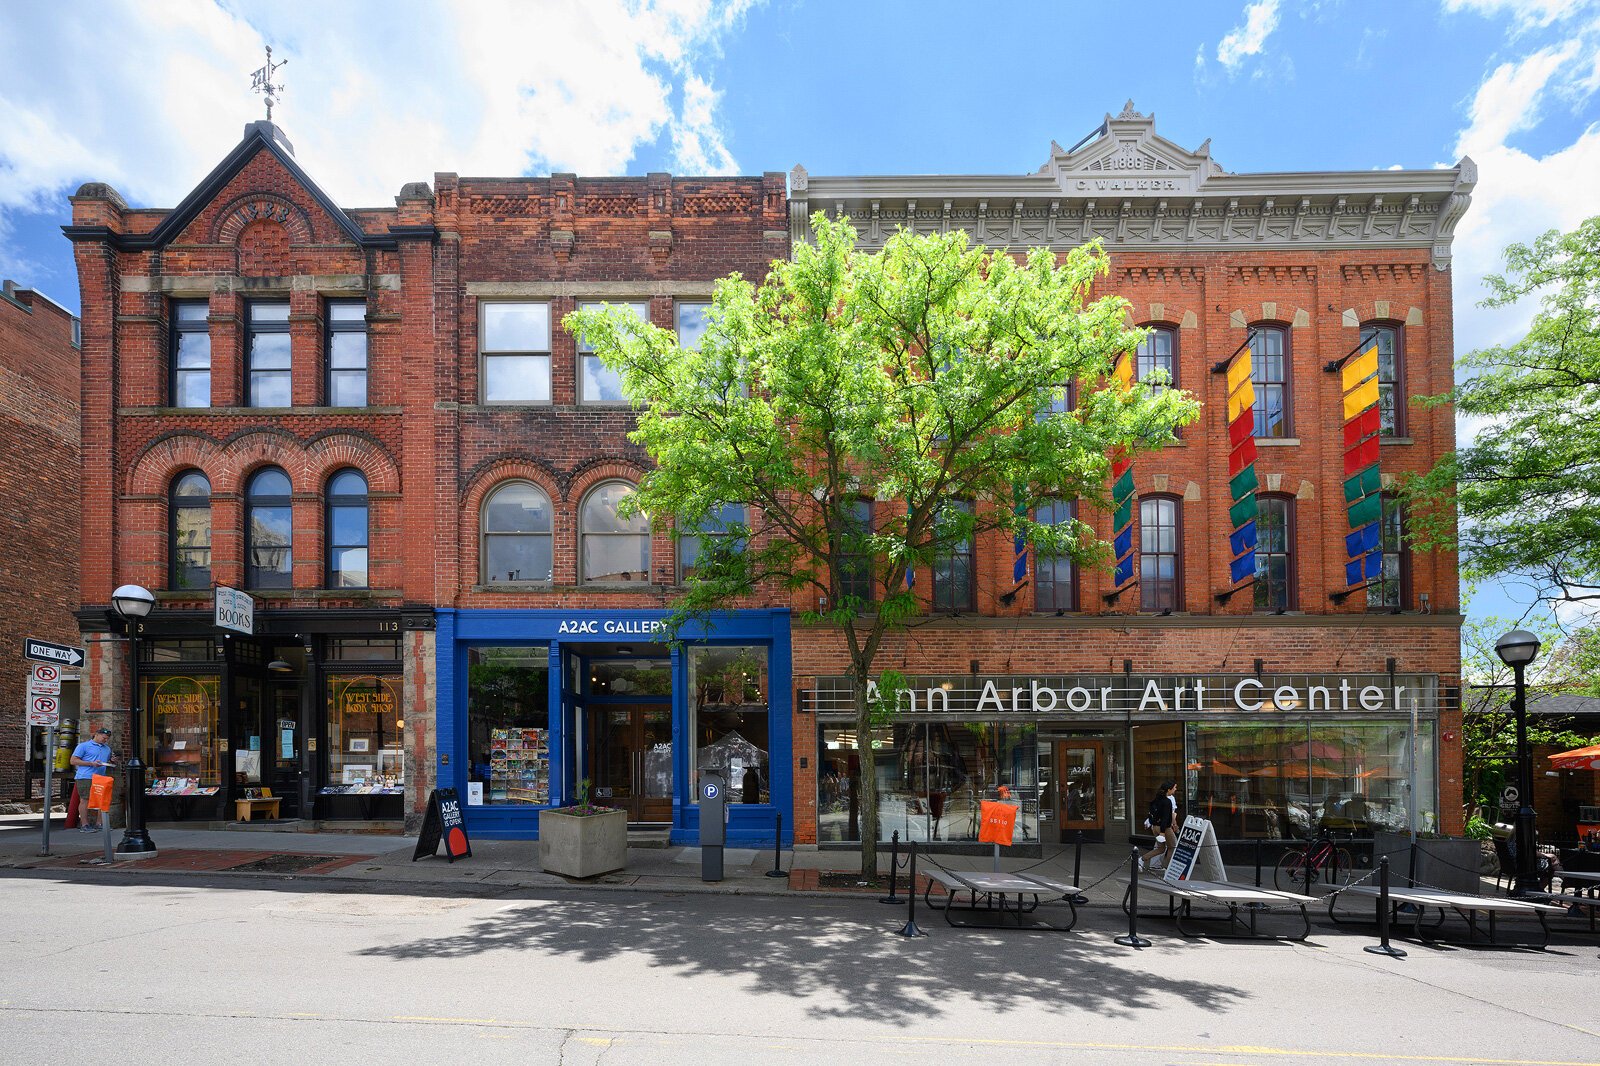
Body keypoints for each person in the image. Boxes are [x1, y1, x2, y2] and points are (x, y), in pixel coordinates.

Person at [70, 726, 116, 833]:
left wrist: (112, 761)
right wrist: (91, 763)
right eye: (104, 738)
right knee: (85, 800)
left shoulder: (107, 748)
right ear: (96, 735)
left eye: (107, 738)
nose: (105, 740)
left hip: (100, 777)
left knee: (102, 800)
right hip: (85, 776)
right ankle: (84, 824)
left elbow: (107, 760)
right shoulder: (84, 746)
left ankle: (99, 823)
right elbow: (73, 761)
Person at [1140, 780, 1179, 872]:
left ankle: (1141, 859)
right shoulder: (1167, 801)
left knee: (1161, 849)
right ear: (1169, 789)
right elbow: (1166, 818)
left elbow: (1152, 813)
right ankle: (1168, 868)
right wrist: (1162, 832)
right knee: (1173, 847)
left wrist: (1153, 823)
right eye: (1174, 788)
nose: (1175, 790)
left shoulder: (1156, 799)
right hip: (1164, 828)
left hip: (1155, 827)